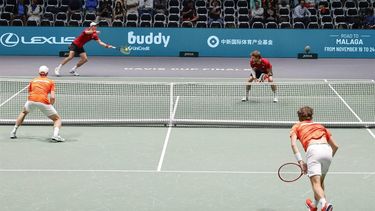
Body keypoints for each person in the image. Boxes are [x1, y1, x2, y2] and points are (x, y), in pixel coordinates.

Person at [290, 106, 339, 211]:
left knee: (315, 183)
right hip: (328, 151)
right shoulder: (320, 126)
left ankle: (325, 204)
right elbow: (335, 146)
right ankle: (314, 205)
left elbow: (293, 145)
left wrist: (301, 162)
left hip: (313, 150)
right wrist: (326, 158)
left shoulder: (296, 126)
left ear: (299, 116)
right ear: (311, 116)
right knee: (319, 183)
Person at [10, 66, 65, 142]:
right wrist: (50, 105)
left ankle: (13, 132)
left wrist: (33, 101)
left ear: (39, 73)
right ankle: (55, 135)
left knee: (23, 112)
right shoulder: (50, 82)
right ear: (47, 73)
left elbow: (30, 92)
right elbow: (52, 97)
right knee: (57, 119)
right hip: (43, 101)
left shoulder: (33, 80)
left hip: (31, 100)